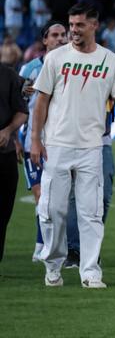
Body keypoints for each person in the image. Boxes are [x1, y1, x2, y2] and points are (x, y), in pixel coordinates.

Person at [30, 5, 115, 288]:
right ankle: (52, 265)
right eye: (71, 25)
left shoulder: (111, 61)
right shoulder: (55, 58)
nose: (74, 30)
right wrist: (35, 140)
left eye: (79, 25)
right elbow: (40, 101)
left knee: (91, 213)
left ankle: (90, 271)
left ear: (94, 25)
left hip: (92, 148)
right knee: (52, 210)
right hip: (56, 145)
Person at [19, 22, 68, 261]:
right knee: (41, 194)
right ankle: (42, 245)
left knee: (60, 199)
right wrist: (16, 138)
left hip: (63, 143)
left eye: (63, 35)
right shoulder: (30, 70)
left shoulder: (72, 67)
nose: (60, 39)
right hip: (32, 144)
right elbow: (16, 103)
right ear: (45, 41)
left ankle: (58, 245)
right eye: (55, 35)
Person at [0, 61, 28, 262]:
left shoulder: (9, 75)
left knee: (3, 214)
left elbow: (21, 111)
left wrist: (8, 131)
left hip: (4, 153)